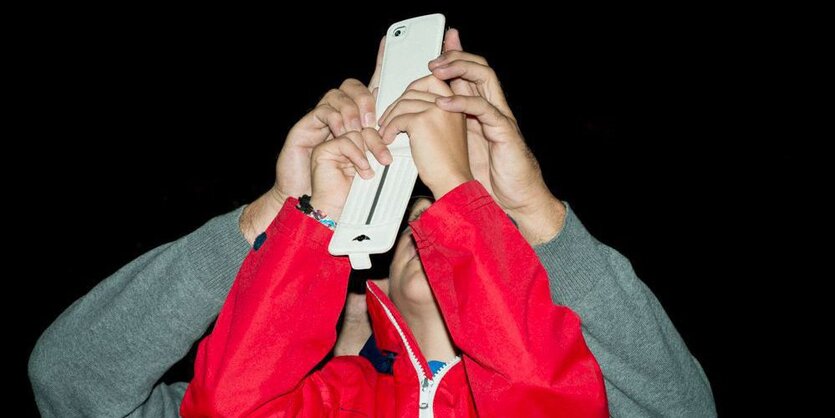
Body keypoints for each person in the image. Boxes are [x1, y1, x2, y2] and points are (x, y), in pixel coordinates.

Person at [28, 29, 716, 417]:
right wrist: (282, 213)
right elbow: (71, 380)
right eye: (412, 212)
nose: (429, 222)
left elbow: (678, 404)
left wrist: (522, 209)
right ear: (371, 287)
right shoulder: (325, 398)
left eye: (441, 213)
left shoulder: (597, 396)